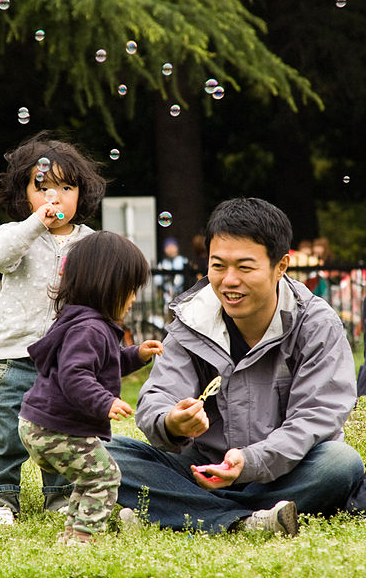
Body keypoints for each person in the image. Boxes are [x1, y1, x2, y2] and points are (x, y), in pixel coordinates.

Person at [106, 197, 363, 536]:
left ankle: (183, 511)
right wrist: (171, 422)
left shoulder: (316, 324)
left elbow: (315, 418)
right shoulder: (191, 320)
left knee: (339, 463)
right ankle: (246, 522)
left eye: (245, 267)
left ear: (281, 266)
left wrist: (249, 462)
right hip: (199, 470)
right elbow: (159, 396)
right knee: (99, 451)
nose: (229, 281)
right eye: (218, 266)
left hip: (286, 472)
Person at [0, 131, 106, 526]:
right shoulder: (16, 235)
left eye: (66, 188)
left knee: (61, 428)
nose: (55, 198)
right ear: (24, 195)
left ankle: (60, 495)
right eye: (43, 188)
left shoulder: (90, 242)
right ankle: (0, 499)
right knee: (10, 432)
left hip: (65, 361)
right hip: (18, 355)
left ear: (80, 194)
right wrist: (35, 223)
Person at [18, 231, 163, 543]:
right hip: (54, 429)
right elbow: (76, 375)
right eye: (130, 289)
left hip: (40, 425)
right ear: (107, 285)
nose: (134, 298)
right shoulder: (90, 328)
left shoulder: (83, 321)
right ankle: (85, 539)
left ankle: (72, 535)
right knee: (105, 475)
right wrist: (105, 402)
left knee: (89, 477)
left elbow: (103, 365)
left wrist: (136, 355)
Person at [154, 237, 188, 317]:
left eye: (173, 246)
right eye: (168, 247)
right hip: (167, 295)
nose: (170, 249)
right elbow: (157, 281)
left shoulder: (183, 261)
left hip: (182, 294)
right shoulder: (163, 263)